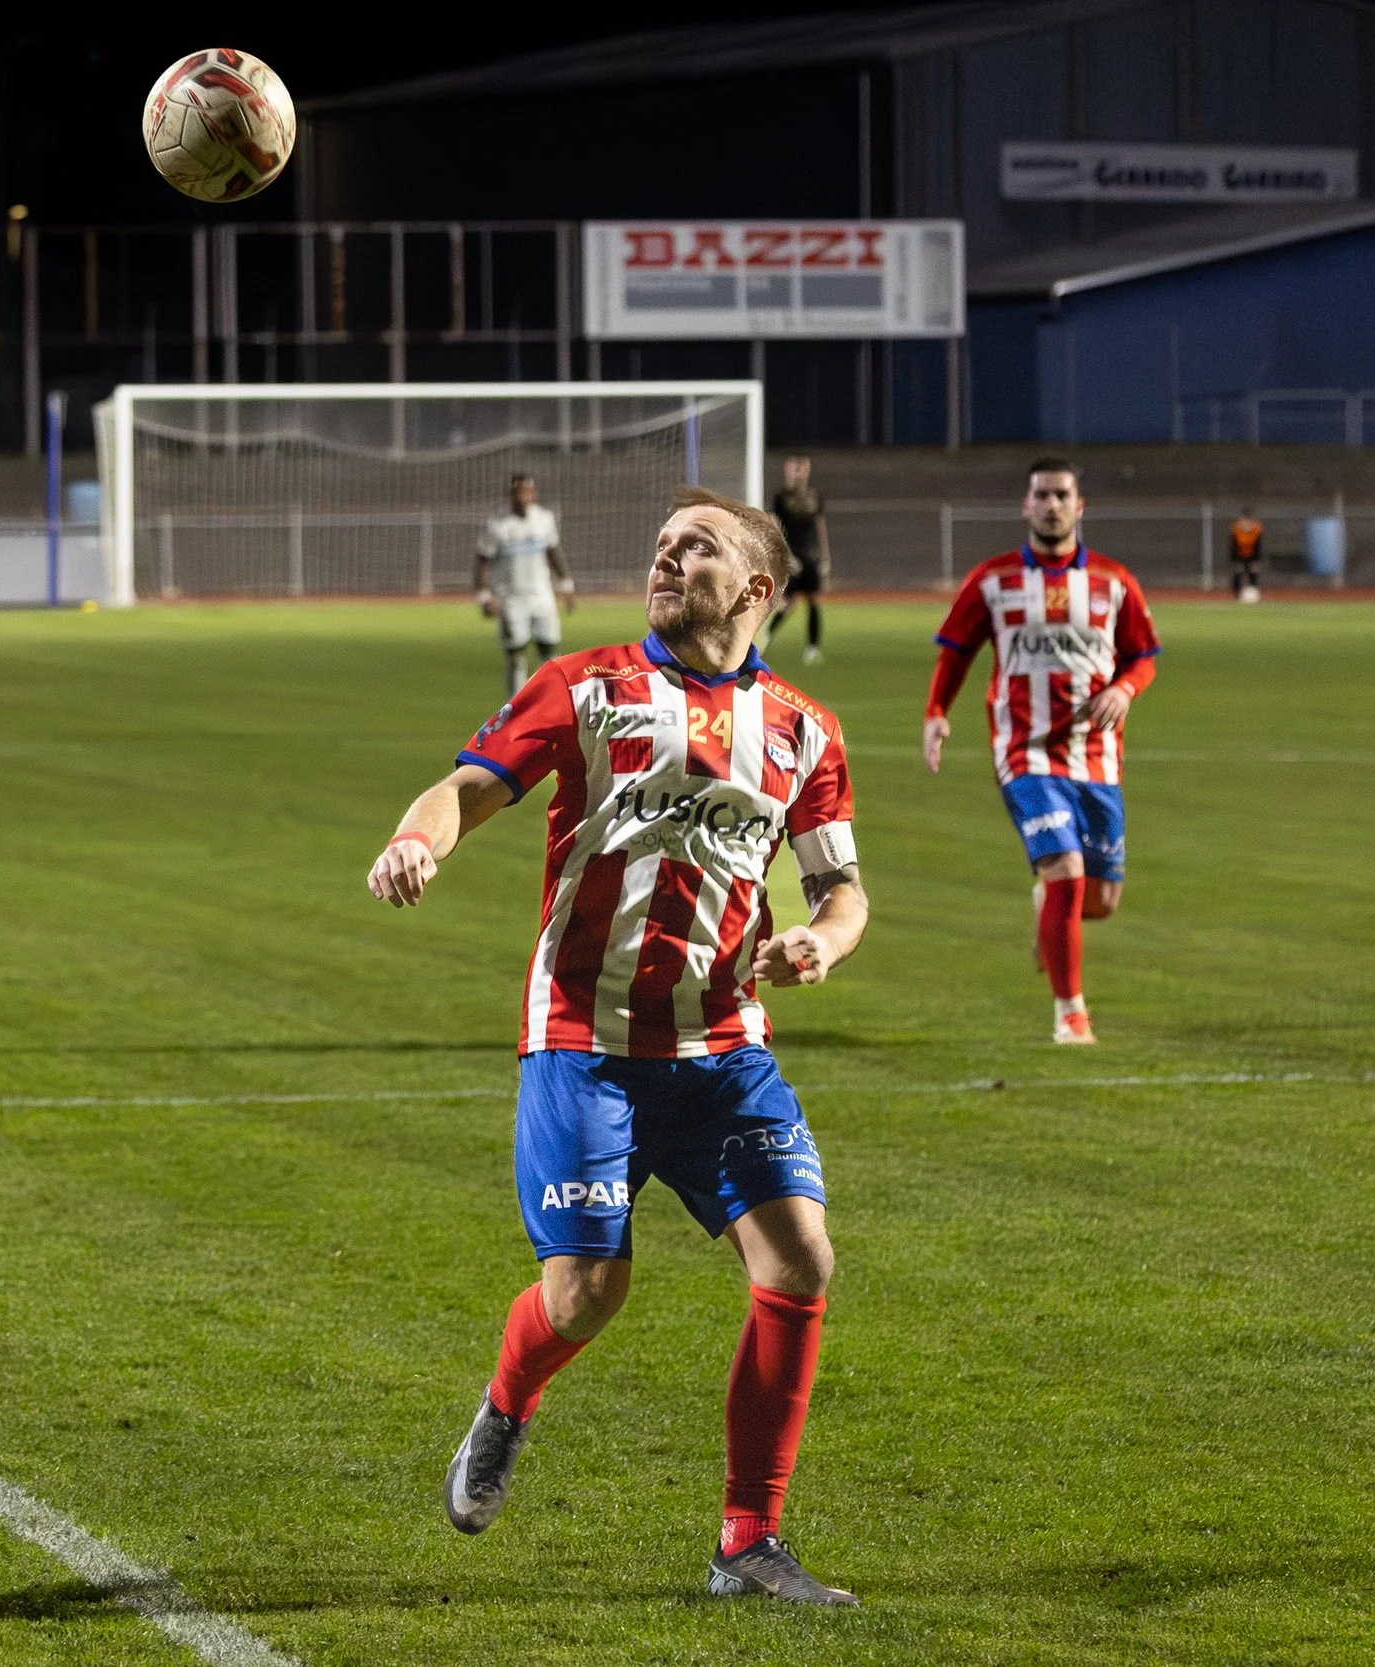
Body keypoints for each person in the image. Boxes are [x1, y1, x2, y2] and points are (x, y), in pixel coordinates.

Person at [370, 486, 867, 1607]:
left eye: (696, 546)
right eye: (660, 544)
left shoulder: (804, 730)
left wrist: (822, 942)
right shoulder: (584, 686)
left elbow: (839, 888)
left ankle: (748, 1543)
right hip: (582, 1041)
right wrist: (417, 840)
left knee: (801, 1258)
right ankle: (507, 1405)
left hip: (723, 1046)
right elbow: (464, 787)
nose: (665, 556)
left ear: (755, 587)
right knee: (588, 1291)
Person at [922, 458, 1159, 1046]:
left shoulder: (1114, 582)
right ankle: (1071, 1013)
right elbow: (956, 651)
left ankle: (1047, 907)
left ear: (1079, 506)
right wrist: (936, 712)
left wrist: (1126, 689)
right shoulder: (992, 580)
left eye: (1061, 496)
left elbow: (1142, 657)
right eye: (1042, 496)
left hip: (1096, 755)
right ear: (1026, 505)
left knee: (1100, 900)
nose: (1052, 506)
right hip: (1024, 752)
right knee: (1066, 872)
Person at [473, 474, 573, 697]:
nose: (523, 497)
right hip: (511, 598)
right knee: (516, 655)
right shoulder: (498, 524)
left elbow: (553, 551)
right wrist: (484, 595)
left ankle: (549, 700)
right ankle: (515, 705)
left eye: (527, 492)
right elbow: (482, 559)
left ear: (534, 494)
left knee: (550, 650)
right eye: (518, 493)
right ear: (511, 495)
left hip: (542, 594)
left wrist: (566, 585)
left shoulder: (544, 519)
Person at [764, 455, 828, 663]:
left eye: (802, 469)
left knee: (813, 601)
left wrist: (825, 556)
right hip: (791, 557)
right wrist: (786, 556)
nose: (799, 473)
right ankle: (767, 635)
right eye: (794, 469)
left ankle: (813, 648)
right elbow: (775, 527)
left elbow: (820, 526)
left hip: (810, 558)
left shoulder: (814, 497)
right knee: (785, 602)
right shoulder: (781, 498)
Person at [1228, 507, 1264, 603]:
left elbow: (1258, 546)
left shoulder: (1256, 529)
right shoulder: (1236, 529)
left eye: (1248, 521)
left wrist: (1256, 561)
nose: (1246, 523)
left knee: (1253, 573)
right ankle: (1237, 596)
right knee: (1237, 573)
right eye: (1244, 520)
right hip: (1239, 556)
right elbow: (1233, 546)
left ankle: (1253, 595)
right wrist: (1235, 561)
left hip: (1252, 556)